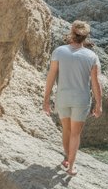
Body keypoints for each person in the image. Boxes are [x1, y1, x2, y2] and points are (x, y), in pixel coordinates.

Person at [43, 20, 102, 176]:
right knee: (75, 134)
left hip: (62, 97)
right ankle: (71, 167)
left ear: (71, 33)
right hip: (81, 99)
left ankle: (67, 159)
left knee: (66, 130)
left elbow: (51, 76)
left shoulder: (59, 51)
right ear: (86, 37)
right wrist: (99, 104)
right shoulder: (92, 56)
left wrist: (46, 100)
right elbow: (96, 83)